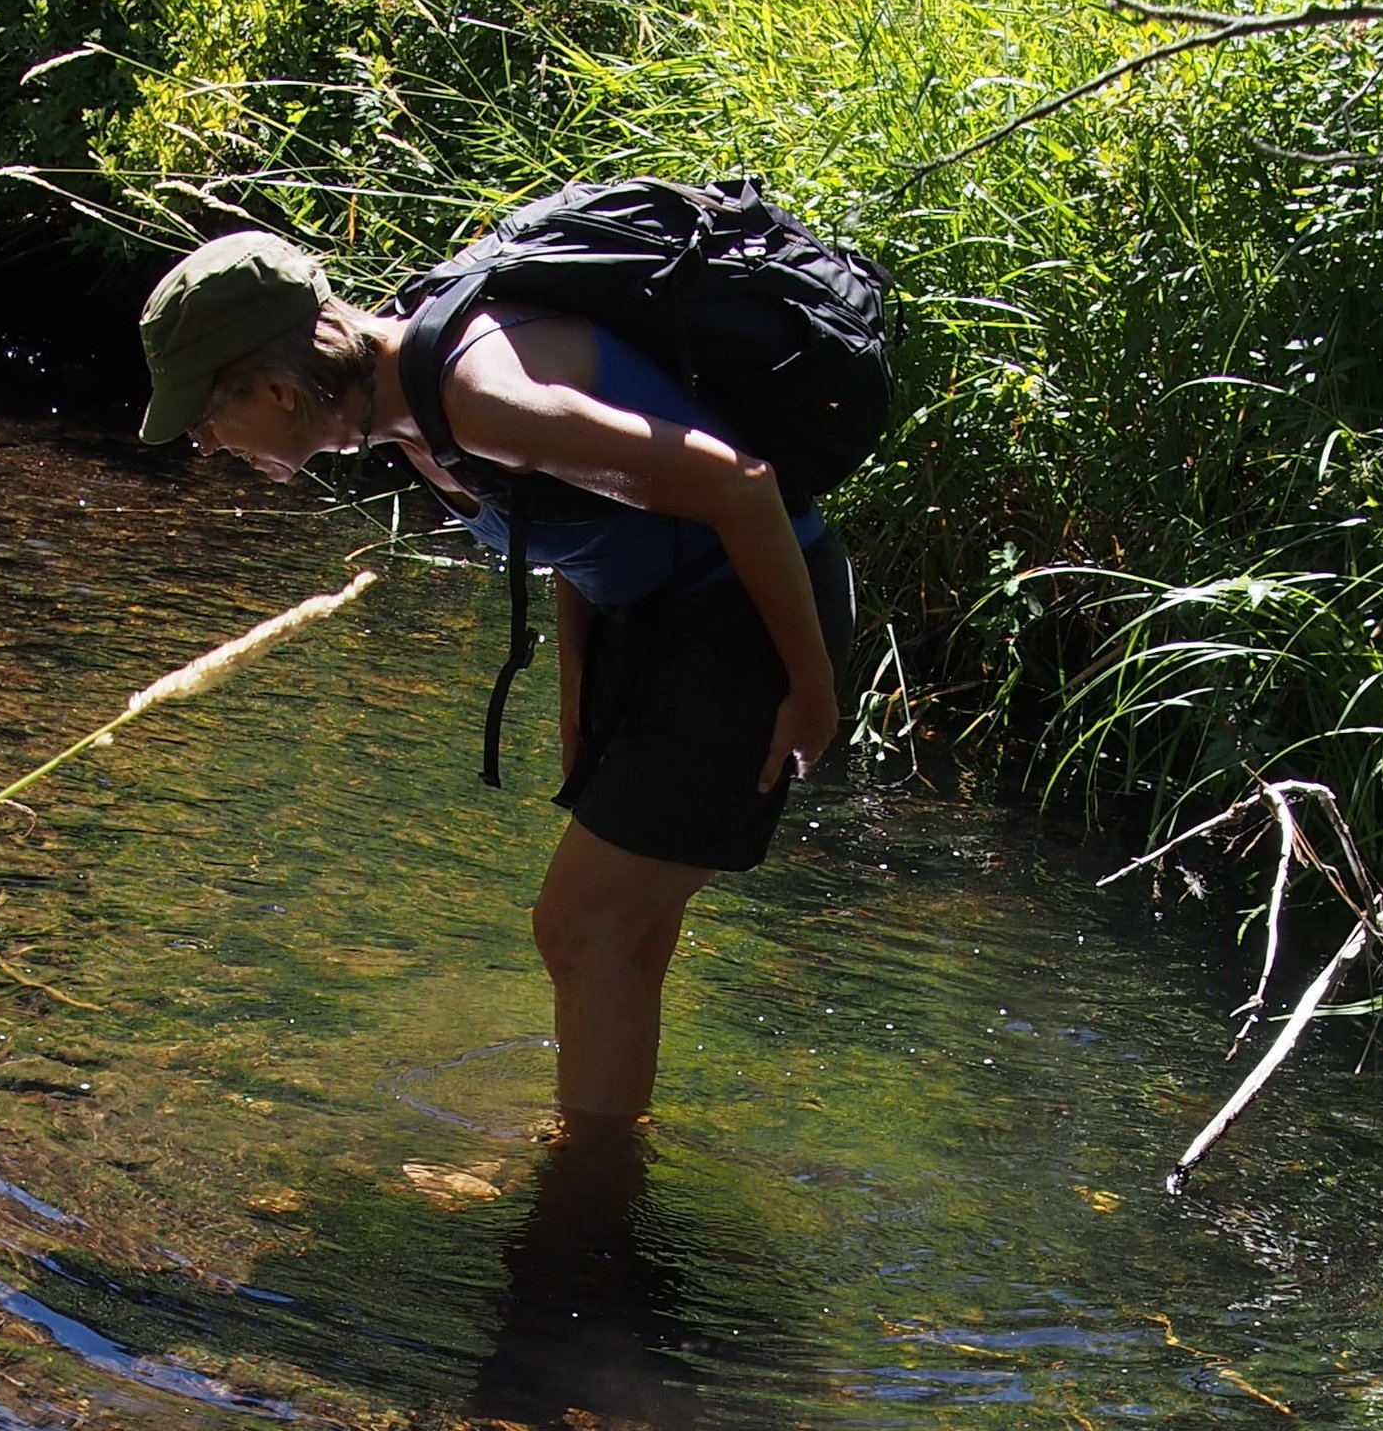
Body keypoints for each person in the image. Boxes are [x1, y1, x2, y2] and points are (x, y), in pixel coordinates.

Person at [136, 225, 855, 1138]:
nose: (204, 446)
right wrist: (577, 701)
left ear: (278, 388)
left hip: (748, 620)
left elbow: (745, 488)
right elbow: (570, 530)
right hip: (659, 626)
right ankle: (599, 1162)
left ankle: (583, 1202)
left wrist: (812, 686)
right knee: (621, 939)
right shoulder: (409, 414)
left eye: (205, 419)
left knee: (579, 928)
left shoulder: (476, 395)